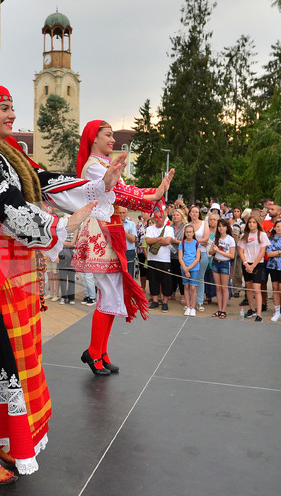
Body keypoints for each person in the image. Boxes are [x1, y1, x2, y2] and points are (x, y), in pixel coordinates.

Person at [0, 84, 115, 483]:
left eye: (12, 108)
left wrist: (99, 186)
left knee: (21, 360)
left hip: (19, 274)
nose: (11, 115)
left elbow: (50, 181)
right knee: (0, 363)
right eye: (4, 108)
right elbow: (7, 207)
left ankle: (7, 438)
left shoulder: (15, 154)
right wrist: (62, 224)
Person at [72, 119, 172, 375]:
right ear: (94, 138)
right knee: (109, 293)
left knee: (112, 294)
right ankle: (94, 353)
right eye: (108, 135)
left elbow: (125, 191)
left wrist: (155, 193)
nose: (113, 140)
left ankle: (100, 352)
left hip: (110, 231)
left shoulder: (104, 164)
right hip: (101, 233)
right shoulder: (95, 168)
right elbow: (122, 193)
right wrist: (155, 195)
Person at [238, 214, 269, 322]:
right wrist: (246, 264)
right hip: (247, 263)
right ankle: (251, 309)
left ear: (257, 223)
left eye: (253, 222)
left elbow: (262, 252)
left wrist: (253, 265)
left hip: (257, 264)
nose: (251, 224)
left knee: (256, 289)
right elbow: (241, 251)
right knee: (248, 287)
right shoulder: (244, 235)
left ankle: (259, 313)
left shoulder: (262, 235)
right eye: (250, 222)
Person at [208, 218, 236, 318]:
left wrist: (219, 251)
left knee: (224, 287)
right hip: (216, 262)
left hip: (225, 263)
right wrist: (214, 250)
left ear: (226, 227)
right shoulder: (216, 237)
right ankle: (219, 309)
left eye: (223, 226)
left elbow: (232, 255)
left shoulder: (230, 239)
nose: (221, 228)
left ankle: (224, 310)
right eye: (219, 226)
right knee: (218, 287)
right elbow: (210, 252)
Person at [178, 224, 201, 317]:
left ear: (193, 233)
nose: (188, 234)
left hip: (194, 268)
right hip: (184, 267)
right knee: (186, 287)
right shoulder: (182, 243)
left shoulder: (196, 243)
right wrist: (185, 268)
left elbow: (197, 258)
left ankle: (193, 307)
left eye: (190, 232)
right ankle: (188, 306)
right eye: (187, 232)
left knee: (193, 287)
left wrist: (189, 268)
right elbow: (180, 257)